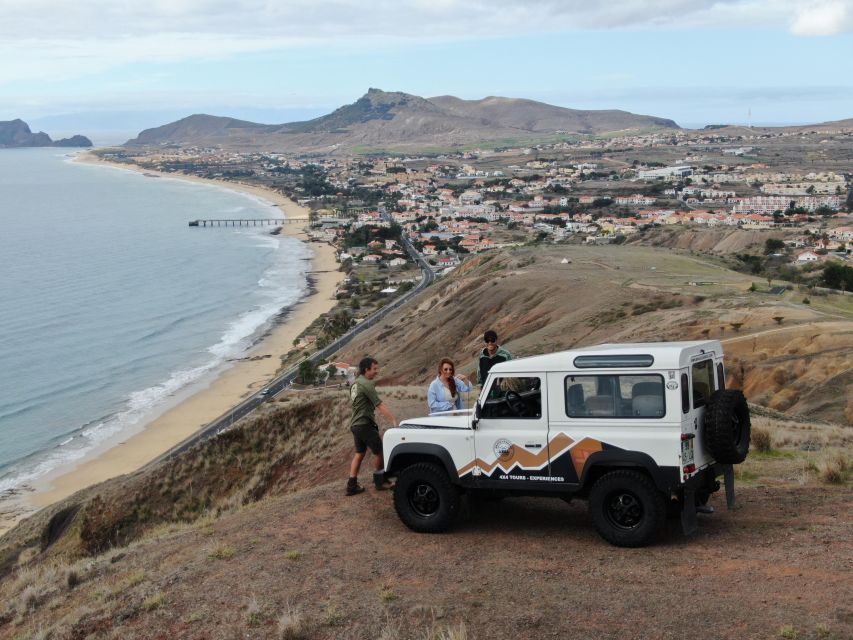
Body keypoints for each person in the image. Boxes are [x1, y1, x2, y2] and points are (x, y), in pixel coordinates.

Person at [346, 356, 399, 496]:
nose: (377, 371)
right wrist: (393, 420)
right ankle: (380, 482)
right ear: (366, 369)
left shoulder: (355, 383)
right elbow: (379, 404)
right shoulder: (367, 384)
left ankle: (351, 485)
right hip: (364, 424)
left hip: (355, 424)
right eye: (374, 369)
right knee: (380, 452)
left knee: (359, 453)